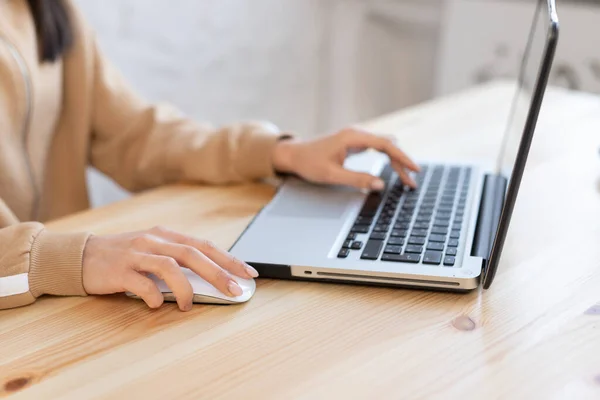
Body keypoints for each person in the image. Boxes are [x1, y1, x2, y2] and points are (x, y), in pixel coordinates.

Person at [0, 0, 419, 312]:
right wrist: (62, 258)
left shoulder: (45, 9)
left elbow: (134, 135)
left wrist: (277, 153)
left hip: (62, 305)